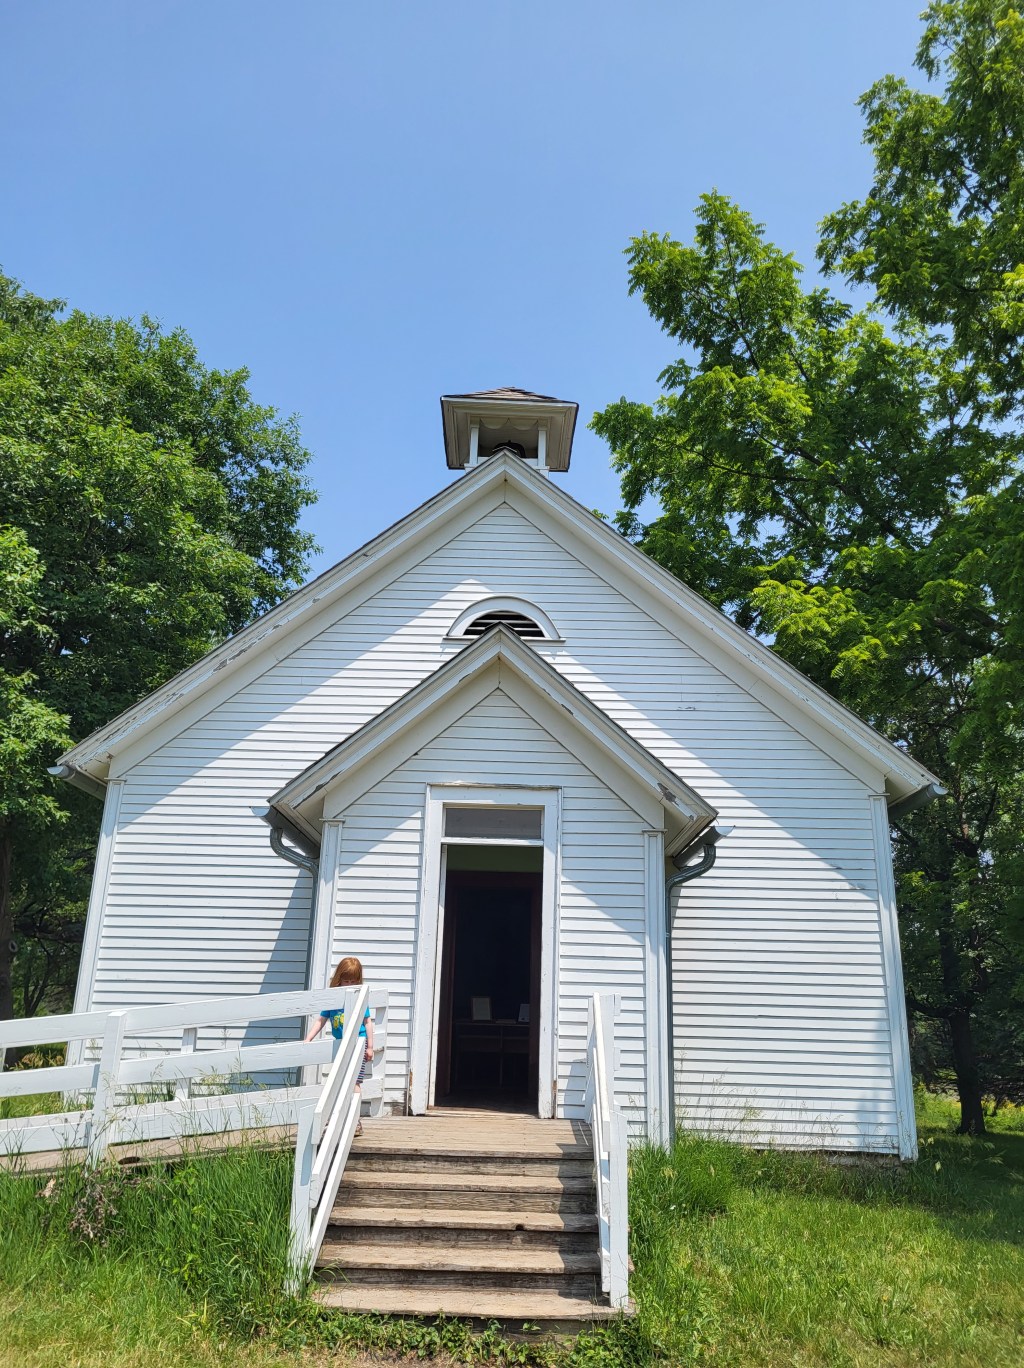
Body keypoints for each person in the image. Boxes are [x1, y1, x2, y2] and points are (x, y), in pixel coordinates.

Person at [305, 955, 374, 1135]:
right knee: (338, 1080)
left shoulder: (360, 998)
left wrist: (369, 1046)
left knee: (354, 1082)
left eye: (353, 981)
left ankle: (355, 1120)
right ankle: (335, 1116)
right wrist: (309, 1038)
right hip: (341, 1045)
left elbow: (367, 1022)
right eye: (346, 981)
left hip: (358, 1043)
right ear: (339, 980)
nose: (349, 984)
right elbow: (321, 1020)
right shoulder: (333, 1000)